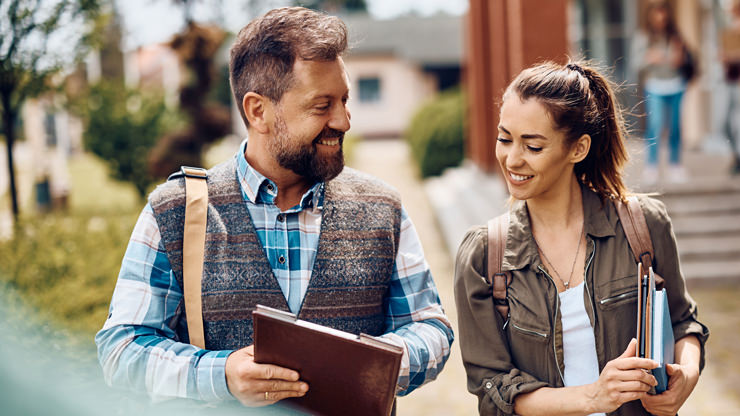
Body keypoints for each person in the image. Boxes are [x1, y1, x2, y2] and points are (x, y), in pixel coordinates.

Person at [95, 6, 453, 409]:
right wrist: (222, 374)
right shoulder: (175, 212)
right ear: (258, 111)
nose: (345, 121)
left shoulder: (383, 207)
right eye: (323, 106)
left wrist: (373, 365)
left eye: (345, 100)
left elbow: (431, 328)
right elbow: (121, 349)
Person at [454, 61, 709, 416]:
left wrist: (687, 376)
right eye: (504, 138)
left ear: (578, 148)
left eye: (533, 146)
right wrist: (594, 397)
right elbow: (492, 388)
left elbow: (684, 323)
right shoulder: (484, 256)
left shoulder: (642, 225)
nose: (512, 159)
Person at [631, 0, 693, 184]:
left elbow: (685, 59)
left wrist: (679, 58)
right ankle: (652, 165)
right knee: (655, 125)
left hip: (676, 84)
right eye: (656, 13)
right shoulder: (642, 37)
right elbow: (635, 64)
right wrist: (650, 58)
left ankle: (675, 164)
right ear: (650, 16)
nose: (660, 17)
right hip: (655, 85)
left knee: (675, 126)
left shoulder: (675, 35)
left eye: (663, 13)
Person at [721, 0, 740, 174]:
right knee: (725, 124)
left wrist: (733, 56)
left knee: (737, 124)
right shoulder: (728, 30)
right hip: (730, 80)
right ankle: (736, 156)